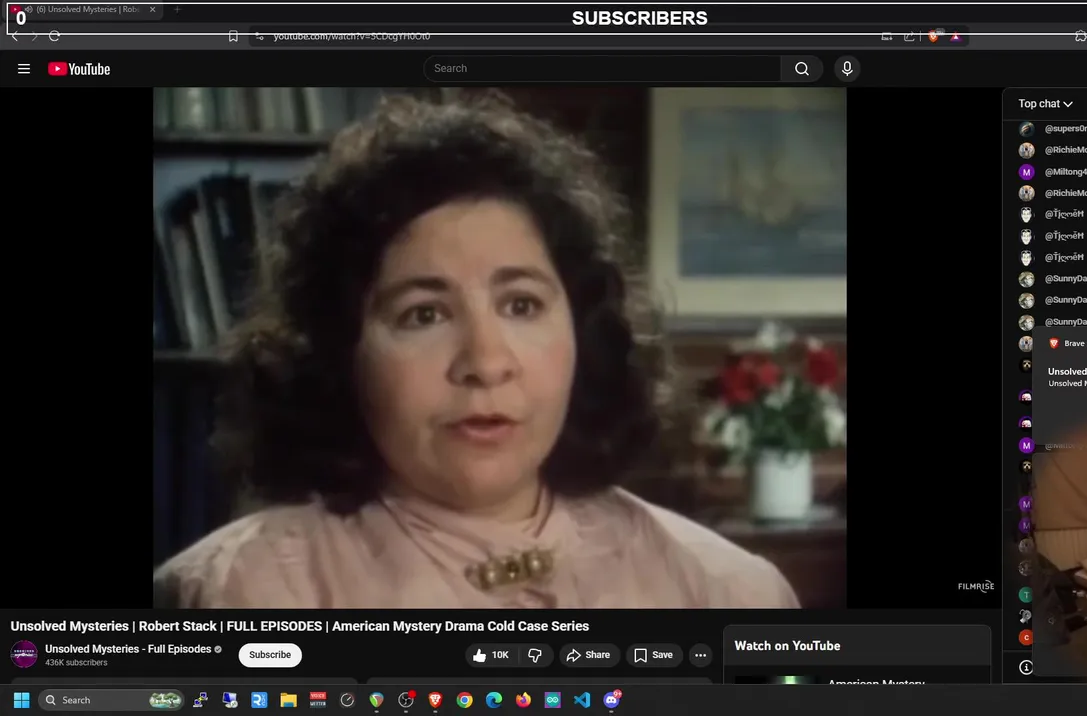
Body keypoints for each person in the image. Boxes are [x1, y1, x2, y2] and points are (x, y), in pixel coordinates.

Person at [153, 96, 800, 609]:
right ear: (339, 352)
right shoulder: (241, 592)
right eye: (424, 314)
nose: (486, 363)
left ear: (583, 331)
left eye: (521, 305)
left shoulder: (730, 591)